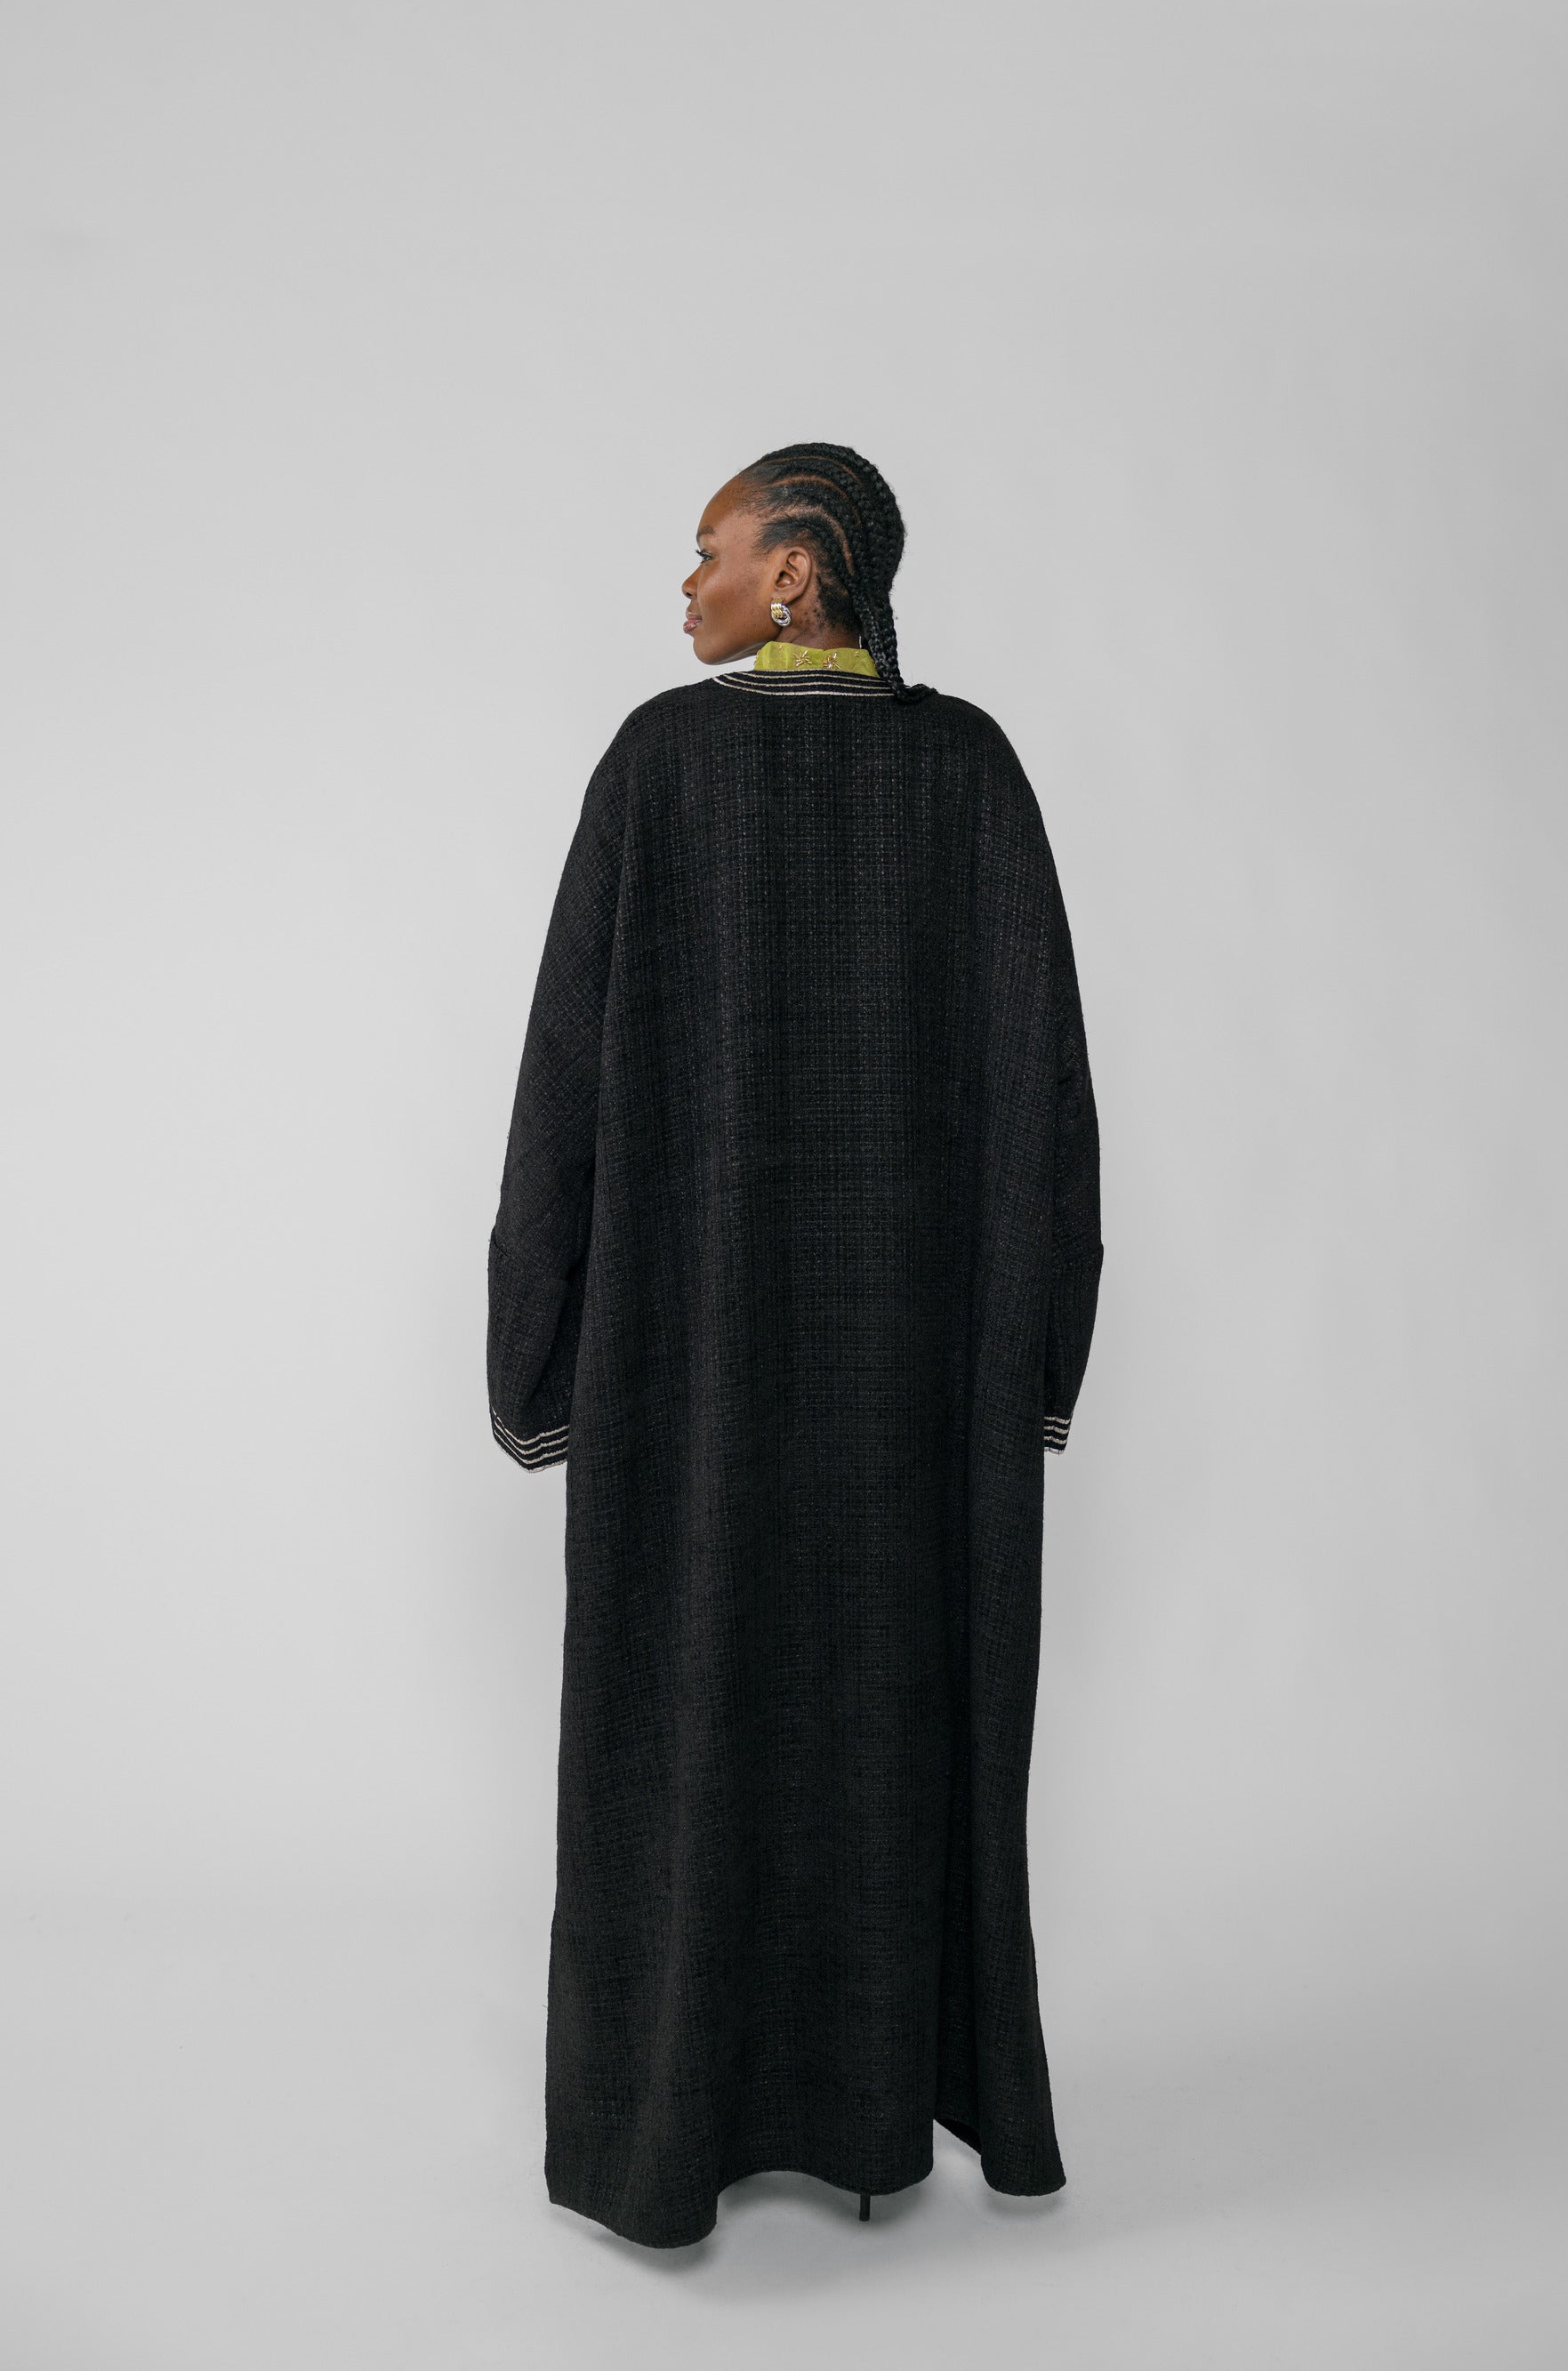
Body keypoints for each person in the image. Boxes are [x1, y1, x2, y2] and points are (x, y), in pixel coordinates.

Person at [486, 442, 1103, 2247]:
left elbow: (561, 1089)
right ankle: (870, 2112)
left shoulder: (659, 769)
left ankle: (672, 2125)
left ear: (798, 577)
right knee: (889, 1727)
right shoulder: (971, 776)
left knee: (686, 1728)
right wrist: (1037, 1358)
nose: (684, 586)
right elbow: (1049, 1097)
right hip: (921, 1393)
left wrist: (540, 1359)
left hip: (685, 1378)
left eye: (710, 553)